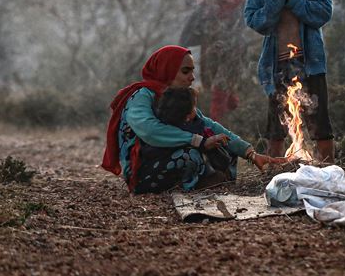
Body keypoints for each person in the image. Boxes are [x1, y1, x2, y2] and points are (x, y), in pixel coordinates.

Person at [101, 45, 285, 194]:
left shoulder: (176, 97)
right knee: (190, 155)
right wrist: (198, 141)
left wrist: (250, 153)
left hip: (167, 155)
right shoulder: (142, 96)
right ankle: (198, 183)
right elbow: (149, 130)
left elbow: (209, 126)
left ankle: (210, 180)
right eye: (185, 71)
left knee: (222, 144)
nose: (192, 77)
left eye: (192, 71)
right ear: (167, 70)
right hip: (142, 170)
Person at [244, 0, 335, 163]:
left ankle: (329, 172)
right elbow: (253, 19)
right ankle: (275, 174)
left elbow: (324, 12)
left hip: (310, 63)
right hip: (277, 65)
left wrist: (292, 1)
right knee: (277, 128)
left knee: (320, 125)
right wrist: (274, 2)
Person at [179, 0, 248, 122]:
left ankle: (217, 123)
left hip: (232, 44)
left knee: (221, 84)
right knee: (209, 81)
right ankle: (229, 102)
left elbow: (245, 17)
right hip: (209, 43)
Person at [147, 87, 236, 185]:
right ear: (187, 115)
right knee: (191, 154)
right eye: (194, 107)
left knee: (226, 145)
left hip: (197, 165)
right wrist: (204, 143)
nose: (196, 110)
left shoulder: (196, 124)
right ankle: (193, 183)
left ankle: (227, 176)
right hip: (160, 171)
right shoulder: (172, 131)